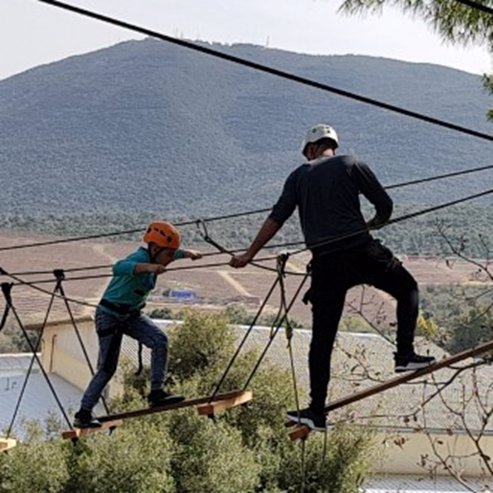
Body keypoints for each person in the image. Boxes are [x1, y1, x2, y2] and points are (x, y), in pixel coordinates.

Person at [229, 124, 435, 432]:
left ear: (311, 149)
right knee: (407, 289)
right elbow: (385, 206)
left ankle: (316, 411)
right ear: (331, 146)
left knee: (322, 340)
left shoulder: (298, 176)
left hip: (326, 263)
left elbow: (276, 218)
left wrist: (249, 255)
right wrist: (373, 224)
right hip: (361, 250)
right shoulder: (351, 163)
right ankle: (404, 354)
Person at [73, 221, 202, 428]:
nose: (170, 260)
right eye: (167, 255)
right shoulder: (140, 258)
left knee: (160, 341)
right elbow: (118, 267)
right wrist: (150, 267)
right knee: (107, 369)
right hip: (110, 315)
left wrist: (187, 254)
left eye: (172, 255)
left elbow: (172, 254)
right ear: (155, 249)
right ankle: (83, 413)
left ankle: (156, 392)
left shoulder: (160, 254)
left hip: (131, 315)